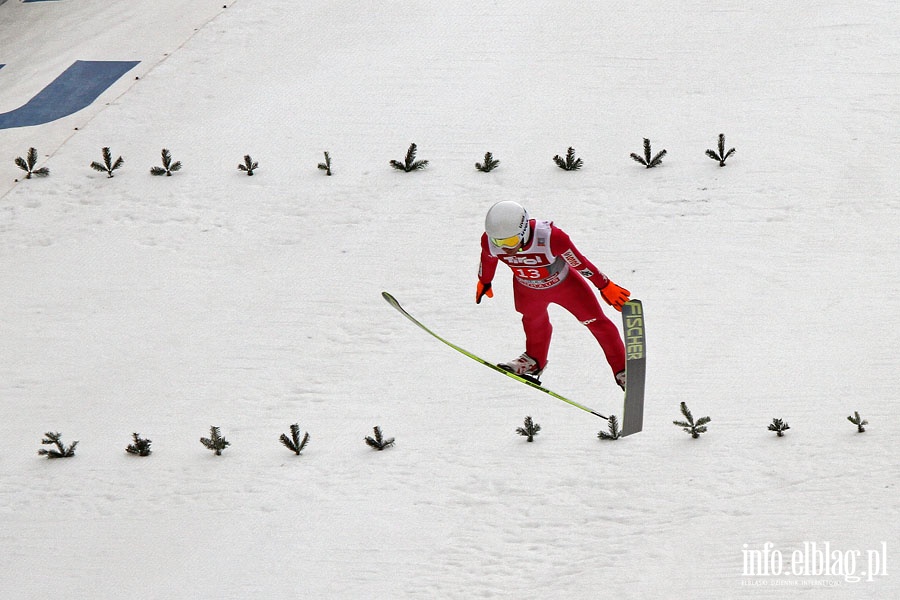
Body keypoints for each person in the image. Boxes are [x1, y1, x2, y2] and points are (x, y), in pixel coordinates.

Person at [475, 200, 630, 390]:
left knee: (596, 322)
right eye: (498, 241)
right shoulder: (490, 241)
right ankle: (533, 359)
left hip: (565, 287)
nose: (505, 247)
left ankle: (622, 369)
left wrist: (604, 285)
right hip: (527, 289)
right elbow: (488, 259)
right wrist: (485, 280)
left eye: (510, 241)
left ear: (523, 230)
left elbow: (580, 263)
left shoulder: (551, 237)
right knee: (533, 321)